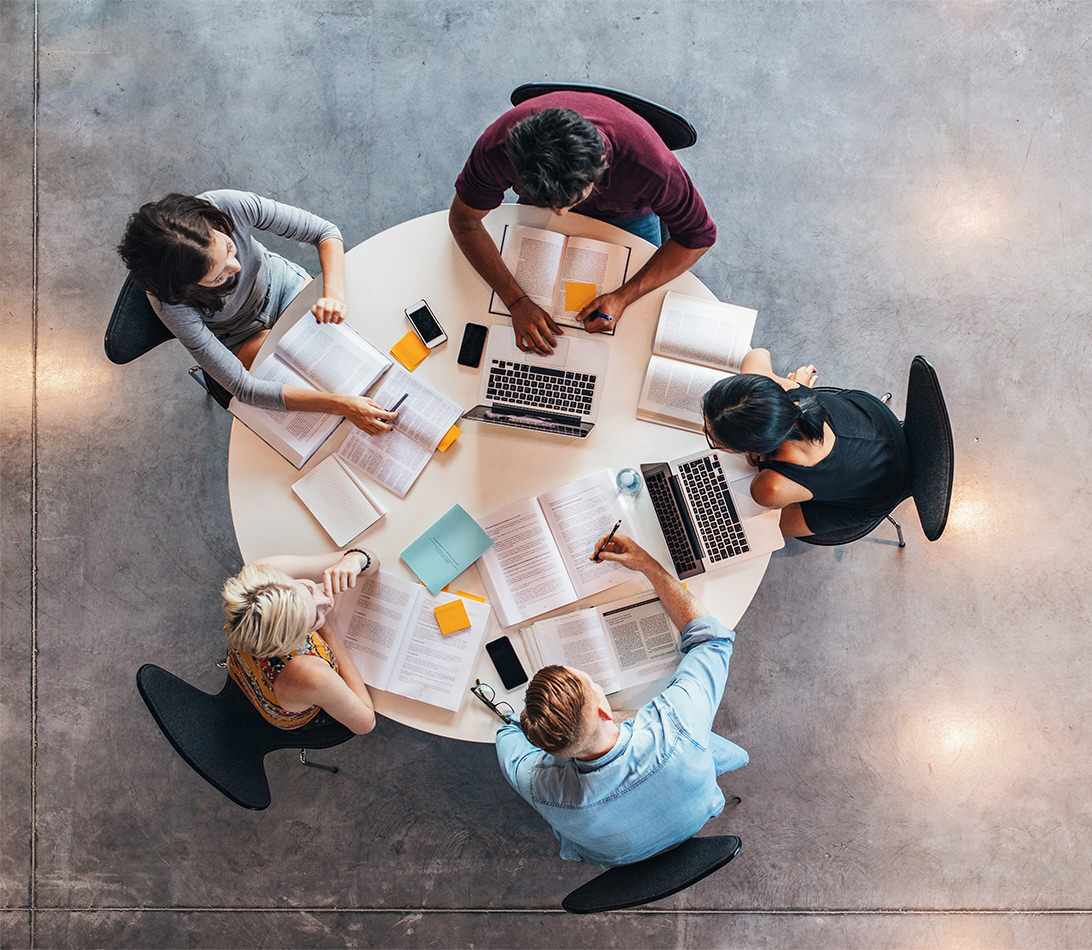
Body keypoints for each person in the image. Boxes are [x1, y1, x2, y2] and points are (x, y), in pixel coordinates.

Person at [494, 534, 748, 868]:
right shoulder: (675, 727)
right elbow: (712, 639)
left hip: (617, 858)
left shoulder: (539, 785)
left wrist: (529, 722)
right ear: (603, 709)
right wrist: (647, 564)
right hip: (696, 812)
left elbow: (506, 735)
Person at [449, 91, 717, 355]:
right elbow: (464, 221)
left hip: (629, 215)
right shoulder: (498, 147)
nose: (561, 215)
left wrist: (624, 296)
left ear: (601, 164)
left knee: (634, 328)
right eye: (553, 204)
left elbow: (698, 237)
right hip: (542, 211)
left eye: (570, 201)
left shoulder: (652, 168)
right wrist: (516, 300)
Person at [117, 190, 395, 433]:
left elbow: (325, 232)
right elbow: (244, 387)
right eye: (218, 277)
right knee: (320, 389)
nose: (236, 267)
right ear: (185, 288)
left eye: (228, 247)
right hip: (238, 336)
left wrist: (333, 294)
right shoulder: (170, 303)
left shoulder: (225, 205)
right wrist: (342, 406)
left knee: (356, 347)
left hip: (285, 288)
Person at [702, 347, 911, 538]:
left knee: (759, 530)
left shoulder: (769, 487)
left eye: (713, 440)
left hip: (881, 490)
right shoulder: (785, 389)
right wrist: (797, 386)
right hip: (876, 421)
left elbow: (765, 490)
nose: (703, 429)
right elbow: (757, 355)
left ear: (749, 448)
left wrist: (762, 457)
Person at [222, 548, 379, 734]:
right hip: (290, 710)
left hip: (242, 667)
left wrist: (355, 560)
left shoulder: (260, 575)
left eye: (309, 588)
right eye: (315, 619)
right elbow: (366, 723)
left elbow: (371, 559)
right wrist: (329, 630)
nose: (327, 601)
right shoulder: (312, 674)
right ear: (294, 643)